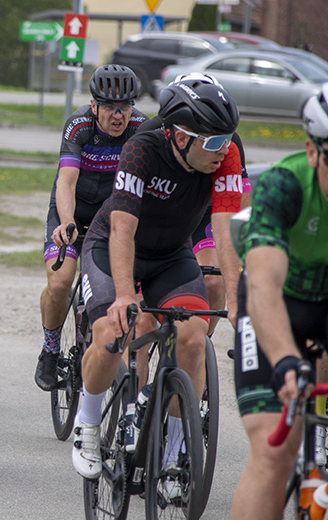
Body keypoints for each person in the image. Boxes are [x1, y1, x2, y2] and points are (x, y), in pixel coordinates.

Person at [71, 81, 242, 490]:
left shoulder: (227, 156)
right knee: (112, 331)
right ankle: (88, 423)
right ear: (182, 137)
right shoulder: (141, 150)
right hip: (112, 245)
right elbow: (123, 229)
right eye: (214, 139)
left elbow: (226, 234)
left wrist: (237, 299)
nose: (223, 147)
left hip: (170, 255)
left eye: (227, 138)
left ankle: (174, 456)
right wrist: (126, 295)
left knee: (194, 338)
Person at [230, 85, 328, 519]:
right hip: (277, 307)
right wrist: (286, 358)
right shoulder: (283, 186)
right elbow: (264, 284)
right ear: (312, 151)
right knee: (274, 451)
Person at [34, 65, 147, 391]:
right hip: (72, 210)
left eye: (125, 106)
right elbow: (66, 182)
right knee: (60, 283)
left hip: (111, 216)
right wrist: (67, 222)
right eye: (110, 107)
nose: (118, 115)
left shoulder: (140, 127)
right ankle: (50, 349)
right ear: (94, 105)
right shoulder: (78, 125)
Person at [137, 72, 252, 337]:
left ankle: (196, 354)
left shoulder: (230, 144)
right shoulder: (149, 134)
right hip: (154, 218)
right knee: (141, 323)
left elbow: (239, 208)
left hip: (202, 214)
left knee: (213, 282)